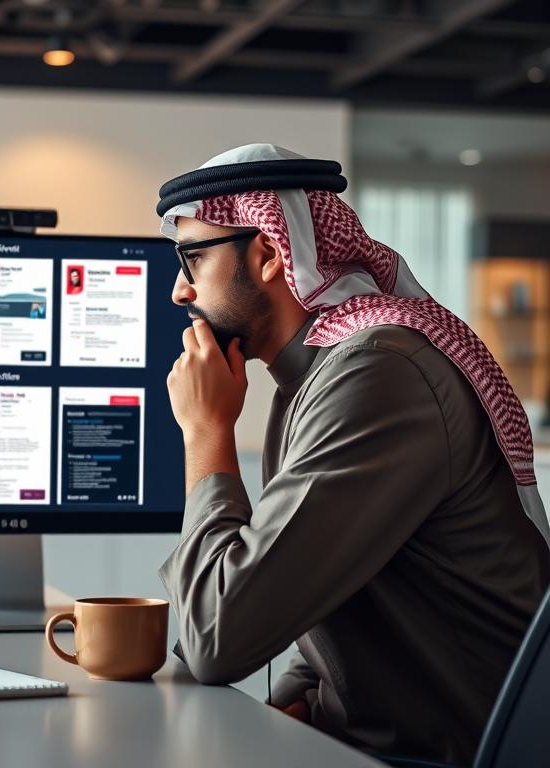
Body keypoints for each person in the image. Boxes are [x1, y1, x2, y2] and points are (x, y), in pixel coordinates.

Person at [156, 143, 550, 764]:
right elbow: (332, 586)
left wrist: (206, 432)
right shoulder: (318, 376)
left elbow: (214, 638)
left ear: (268, 253)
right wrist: (300, 700)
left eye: (193, 258)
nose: (180, 290)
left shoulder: (377, 372)